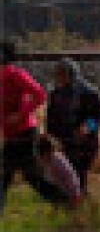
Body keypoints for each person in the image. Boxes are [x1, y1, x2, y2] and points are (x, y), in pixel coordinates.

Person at [1, 40, 65, 212]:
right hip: (12, 135)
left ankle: (65, 201)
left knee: (31, 177)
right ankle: (65, 202)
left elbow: (40, 94)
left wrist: (20, 115)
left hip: (24, 133)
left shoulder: (15, 74)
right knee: (7, 176)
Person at [45, 57, 100, 194]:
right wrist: (51, 136)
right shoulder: (56, 93)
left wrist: (87, 127)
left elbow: (99, 116)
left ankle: (79, 201)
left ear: (72, 73)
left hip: (84, 142)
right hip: (63, 141)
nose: (60, 77)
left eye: (63, 73)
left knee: (78, 174)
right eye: (58, 73)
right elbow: (51, 117)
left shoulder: (89, 93)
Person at [33, 136, 83, 208]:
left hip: (69, 192)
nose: (40, 159)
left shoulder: (57, 161)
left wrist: (74, 194)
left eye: (41, 156)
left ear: (47, 152)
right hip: (59, 189)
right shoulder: (46, 161)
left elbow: (70, 175)